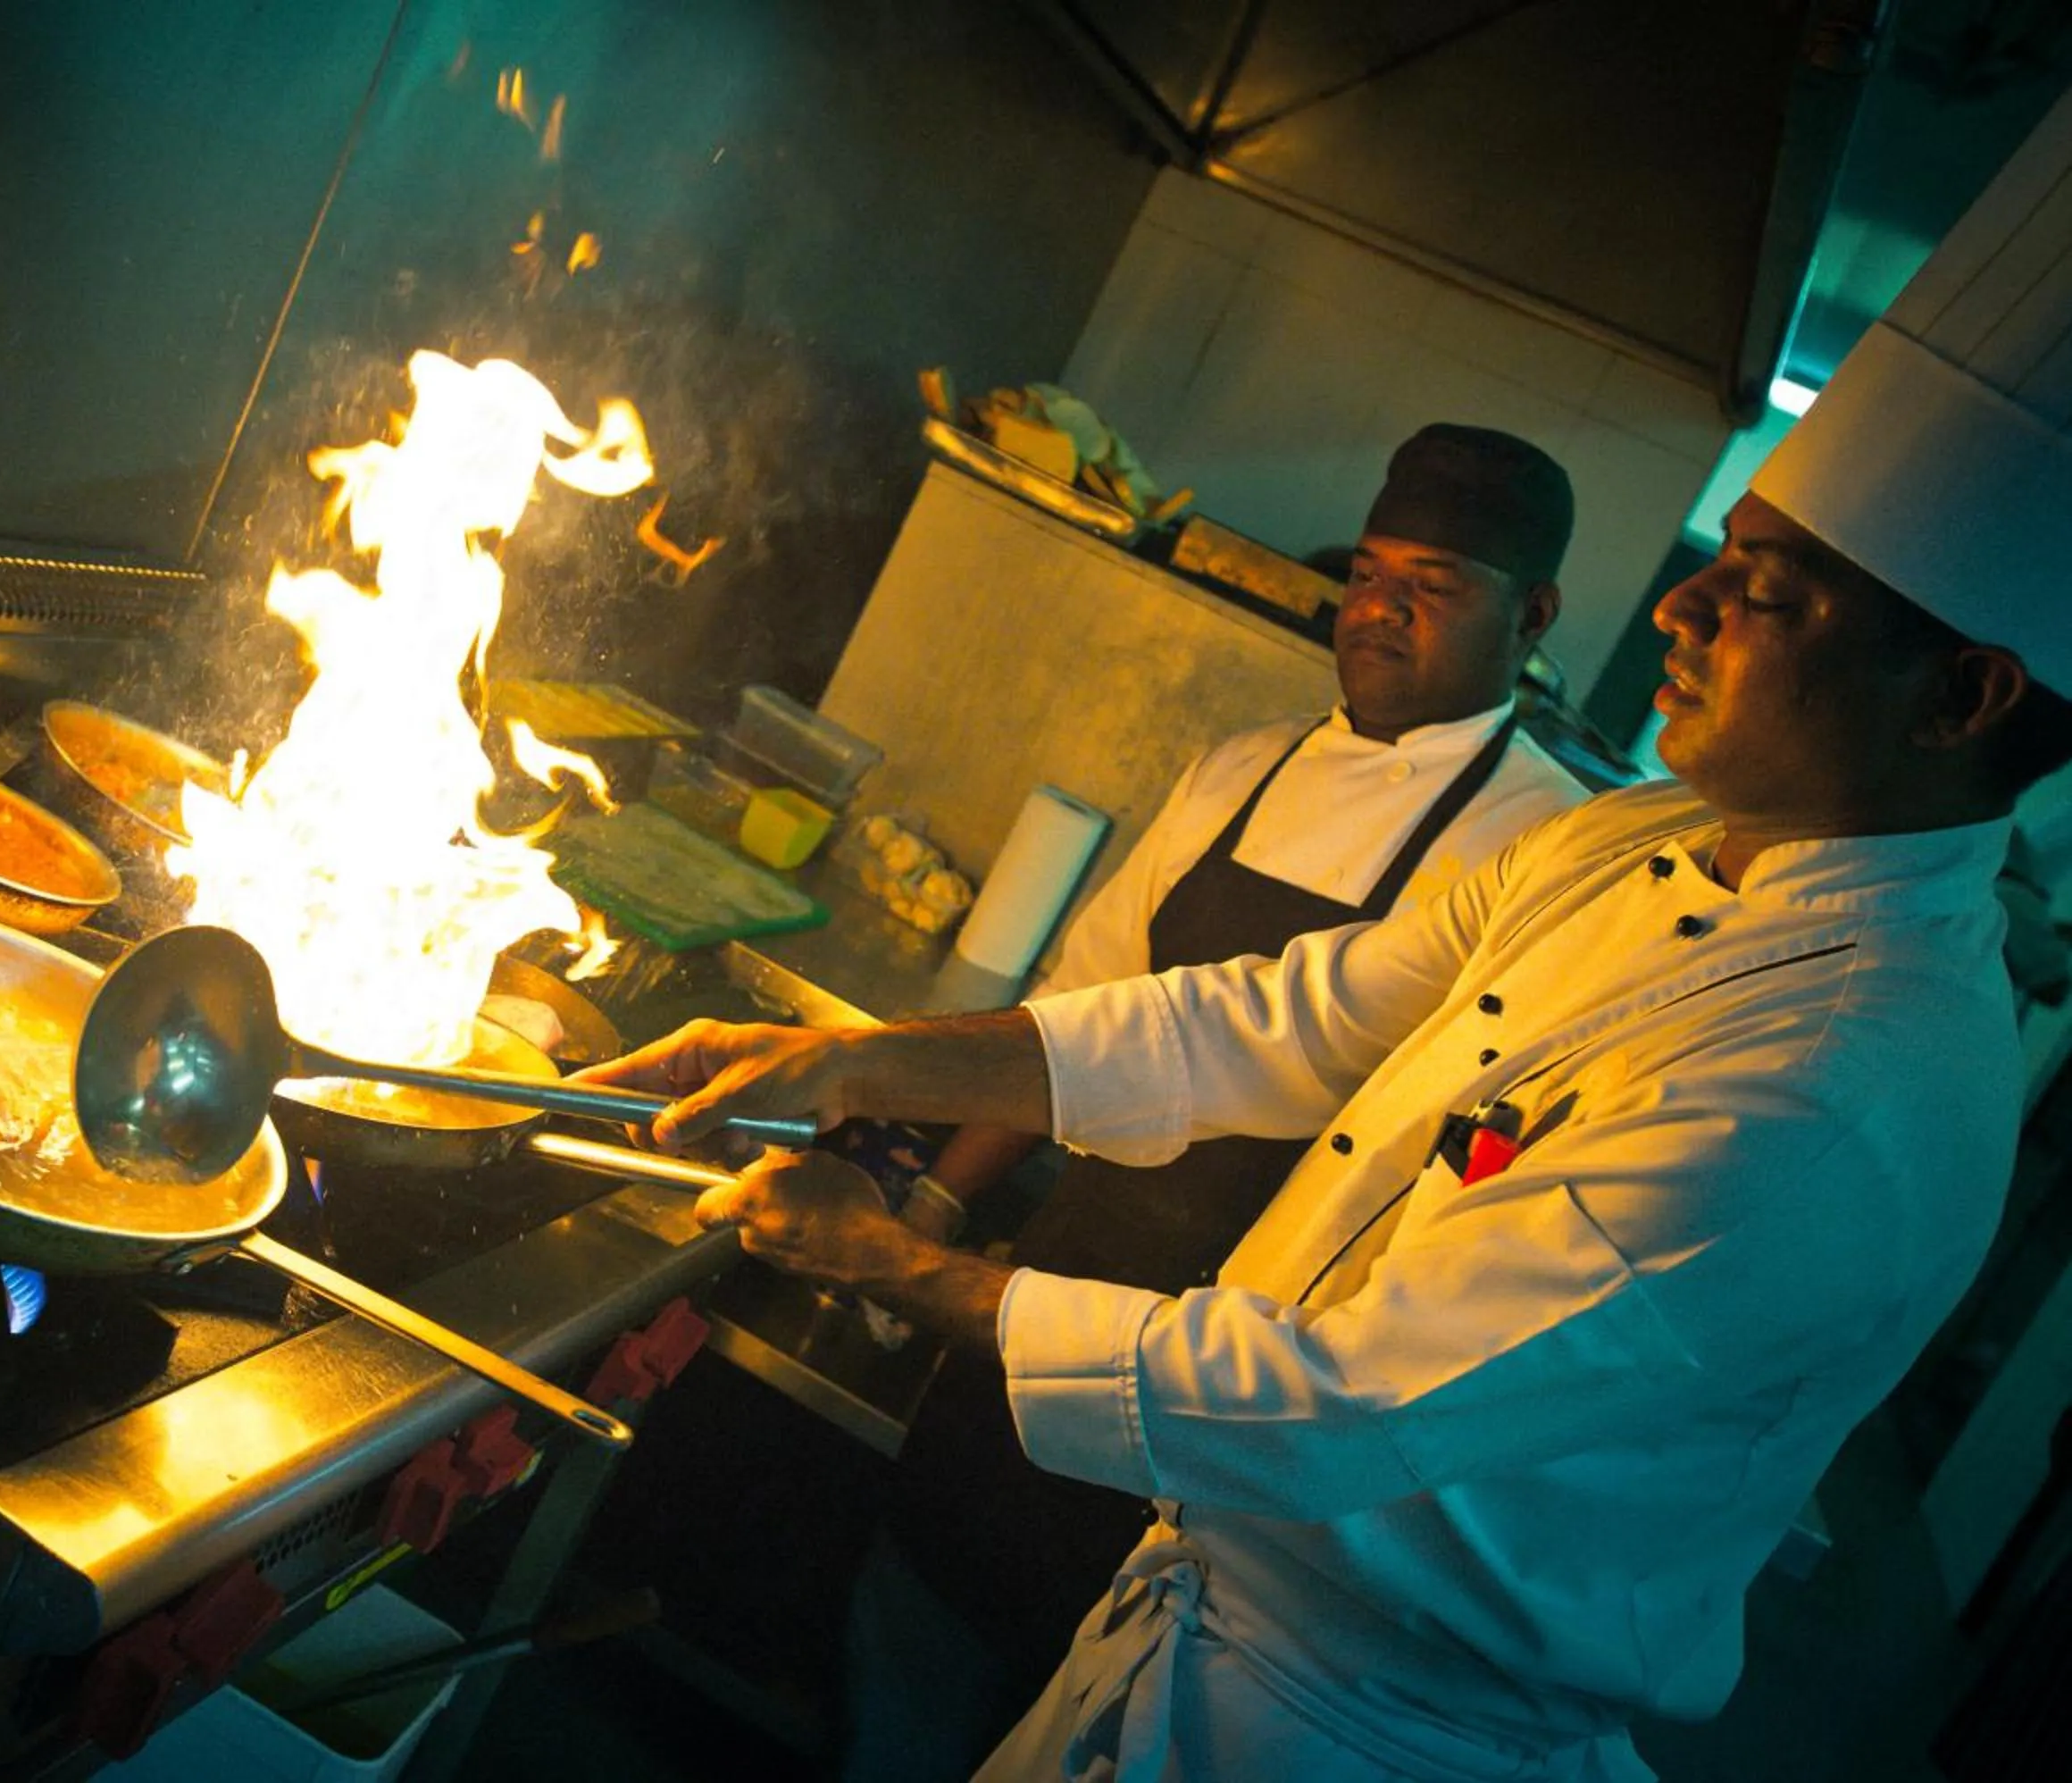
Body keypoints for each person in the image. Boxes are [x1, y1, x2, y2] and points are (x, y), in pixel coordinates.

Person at [584, 91, 2072, 1782]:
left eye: (1771, 595)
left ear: (1964, 696)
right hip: (1196, 1591)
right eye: (1720, 561)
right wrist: (851, 1061)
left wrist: (894, 1261)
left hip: (1362, 1728)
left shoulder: (1848, 1084)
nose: (1685, 605)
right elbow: (1267, 1020)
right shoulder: (1642, 842)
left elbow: (1346, 1400)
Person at [868, 423, 1592, 1769]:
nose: (1378, 610)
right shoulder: (1240, 767)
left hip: (1250, 1383)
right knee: (917, 1629)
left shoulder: (1545, 846)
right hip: (1062, 1286)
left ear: (1533, 616)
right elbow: (1076, 1025)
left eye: (1432, 586)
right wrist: (935, 1206)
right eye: (1369, 573)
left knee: (1106, 1715)